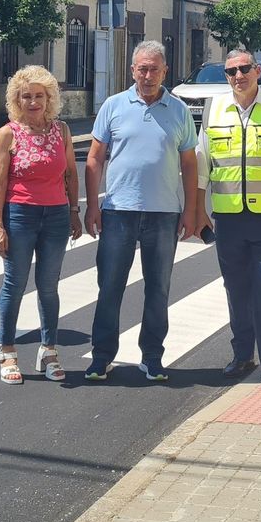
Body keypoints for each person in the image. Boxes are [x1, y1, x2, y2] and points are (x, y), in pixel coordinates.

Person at [82, 40, 198, 383]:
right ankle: (102, 357)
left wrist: (191, 210)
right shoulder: (114, 106)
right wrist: (92, 205)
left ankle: (152, 357)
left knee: (158, 289)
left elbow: (190, 164)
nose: (148, 76)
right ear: (132, 70)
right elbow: (94, 158)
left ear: (165, 72)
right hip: (118, 211)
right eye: (142, 69)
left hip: (164, 214)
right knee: (110, 288)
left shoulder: (178, 110)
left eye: (154, 69)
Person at [194, 49, 261, 386]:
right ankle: (242, 355)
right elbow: (203, 166)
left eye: (244, 69)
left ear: (257, 71)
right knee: (237, 289)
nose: (238, 76)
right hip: (228, 218)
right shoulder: (214, 110)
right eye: (231, 72)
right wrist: (199, 210)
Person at [0, 66, 82, 384]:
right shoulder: (8, 134)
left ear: (49, 98)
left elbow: (70, 173)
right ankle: (7, 352)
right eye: (26, 96)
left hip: (55, 216)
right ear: (17, 99)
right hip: (20, 215)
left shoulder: (62, 131)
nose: (33, 102)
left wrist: (73, 211)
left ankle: (49, 350)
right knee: (14, 285)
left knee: (49, 286)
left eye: (39, 96)